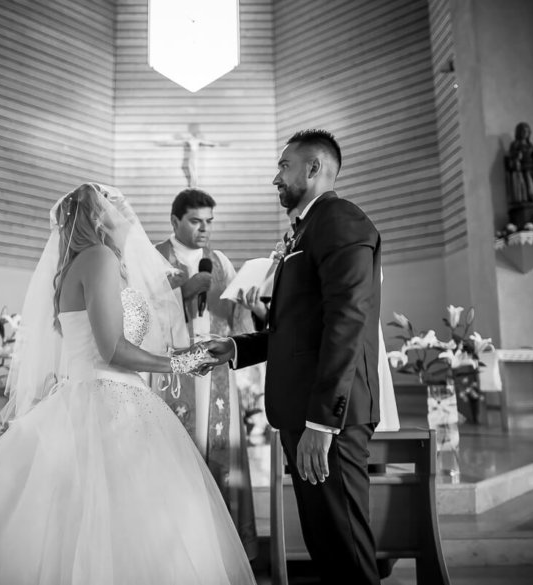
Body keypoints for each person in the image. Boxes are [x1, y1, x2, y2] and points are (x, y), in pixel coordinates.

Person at [0, 183, 256, 585]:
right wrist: (183, 362)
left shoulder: (88, 263)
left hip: (104, 397)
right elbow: (112, 350)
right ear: (100, 218)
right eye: (119, 211)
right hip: (111, 402)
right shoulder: (100, 258)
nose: (130, 220)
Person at [203, 129, 383, 584]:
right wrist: (238, 347)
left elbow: (346, 324)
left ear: (314, 168)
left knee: (345, 548)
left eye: (284, 166)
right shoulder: (306, 228)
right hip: (304, 415)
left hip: (327, 421)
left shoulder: (341, 221)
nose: (275, 178)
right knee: (325, 544)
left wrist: (323, 424)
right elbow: (297, 330)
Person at [154, 188, 262, 558]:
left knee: (218, 453)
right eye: (196, 221)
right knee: (177, 455)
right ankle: (177, 550)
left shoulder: (220, 262)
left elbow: (240, 322)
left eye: (209, 222)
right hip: (171, 372)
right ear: (175, 221)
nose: (204, 229)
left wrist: (254, 308)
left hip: (216, 374)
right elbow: (138, 317)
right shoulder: (154, 259)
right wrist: (182, 292)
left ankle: (221, 549)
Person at [507, 121, 533, 204]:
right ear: (519, 132)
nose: (525, 133)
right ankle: (531, 195)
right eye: (523, 131)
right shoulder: (515, 144)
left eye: (527, 131)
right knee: (527, 172)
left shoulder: (530, 145)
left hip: (531, 164)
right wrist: (517, 156)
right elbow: (512, 157)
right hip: (523, 166)